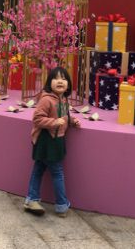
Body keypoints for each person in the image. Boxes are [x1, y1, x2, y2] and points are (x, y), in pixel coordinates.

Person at [23, 66, 81, 218]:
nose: (60, 81)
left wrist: (73, 121)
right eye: (56, 78)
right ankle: (61, 205)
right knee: (57, 172)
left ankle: (31, 200)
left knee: (39, 168)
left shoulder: (64, 99)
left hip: (57, 140)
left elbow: (65, 116)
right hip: (46, 140)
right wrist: (54, 122)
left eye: (64, 78)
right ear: (49, 82)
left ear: (68, 84)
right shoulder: (46, 99)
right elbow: (37, 119)